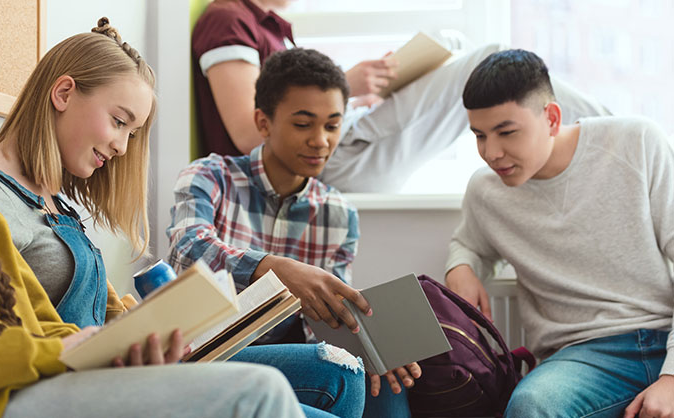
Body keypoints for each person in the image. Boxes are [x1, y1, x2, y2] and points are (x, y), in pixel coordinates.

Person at [0, 16, 361, 418]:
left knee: (345, 375)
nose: (121, 147)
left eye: (131, 133)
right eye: (119, 122)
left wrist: (139, 325)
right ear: (64, 93)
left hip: (105, 371)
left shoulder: (52, 202)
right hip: (73, 383)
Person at [170, 47, 421, 418]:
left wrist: (374, 348)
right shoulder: (210, 176)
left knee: (384, 382)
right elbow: (187, 248)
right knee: (337, 370)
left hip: (290, 357)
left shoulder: (339, 215)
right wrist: (275, 270)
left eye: (333, 125)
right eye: (304, 124)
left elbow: (324, 323)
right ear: (264, 122)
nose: (320, 140)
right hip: (207, 351)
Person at [444, 49, 674, 418]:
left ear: (551, 118)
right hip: (579, 358)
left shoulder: (637, 142)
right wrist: (462, 267)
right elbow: (468, 244)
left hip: (663, 334)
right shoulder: (487, 191)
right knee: (530, 406)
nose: (491, 152)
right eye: (480, 135)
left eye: (506, 132)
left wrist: (672, 377)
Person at [192, 0, 611, 192]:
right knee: (490, 57)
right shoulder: (229, 19)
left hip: (347, 148)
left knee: (453, 44)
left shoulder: (275, 28)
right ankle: (612, 130)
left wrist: (358, 96)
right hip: (336, 161)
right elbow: (251, 134)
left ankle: (610, 134)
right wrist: (345, 87)